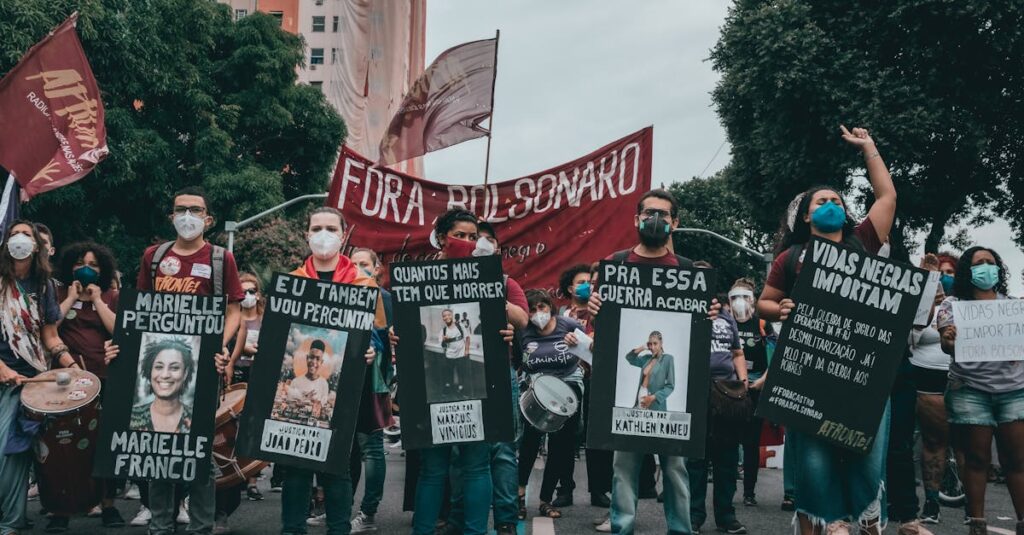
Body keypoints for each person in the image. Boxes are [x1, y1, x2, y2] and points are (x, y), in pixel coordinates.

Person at [756, 126, 898, 535]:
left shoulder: (864, 241)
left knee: (868, 456)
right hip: (810, 371)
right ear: (806, 215)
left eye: (837, 200)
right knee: (815, 458)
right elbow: (767, 301)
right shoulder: (791, 256)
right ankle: (827, 520)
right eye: (822, 201)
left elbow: (886, 196)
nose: (831, 203)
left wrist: (869, 146)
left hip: (862, 372)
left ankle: (867, 514)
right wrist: (778, 308)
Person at [106, 187, 243, 535]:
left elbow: (234, 311)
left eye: (196, 210)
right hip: (161, 367)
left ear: (208, 219)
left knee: (198, 450)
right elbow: (138, 311)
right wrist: (122, 349)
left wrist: (221, 345)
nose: (188, 216)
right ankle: (160, 526)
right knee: (157, 450)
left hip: (202, 371)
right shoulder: (154, 257)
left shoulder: (219, 259)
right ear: (171, 216)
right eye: (181, 209)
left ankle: (201, 527)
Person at [588, 189, 721, 535]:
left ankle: (680, 528)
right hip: (631, 408)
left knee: (675, 468)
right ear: (636, 219)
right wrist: (595, 312)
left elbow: (692, 344)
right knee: (624, 468)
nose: (656, 219)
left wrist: (709, 314)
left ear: (675, 222)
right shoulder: (616, 265)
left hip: (665, 412)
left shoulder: (689, 271)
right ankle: (622, 527)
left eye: (664, 214)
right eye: (649, 213)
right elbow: (608, 335)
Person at [404, 208, 528, 535]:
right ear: (443, 238)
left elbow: (522, 320)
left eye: (474, 237)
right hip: (433, 379)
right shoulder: (418, 278)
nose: (468, 242)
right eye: (461, 235)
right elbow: (408, 325)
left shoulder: (495, 278)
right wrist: (397, 333)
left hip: (478, 379)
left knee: (476, 466)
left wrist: (490, 296)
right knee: (432, 468)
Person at [282, 206, 385, 535]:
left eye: (330, 228)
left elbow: (379, 335)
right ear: (307, 235)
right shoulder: (293, 282)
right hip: (298, 391)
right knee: (296, 468)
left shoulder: (364, 284)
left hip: (343, 393)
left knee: (337, 469)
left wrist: (372, 350)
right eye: (316, 228)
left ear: (343, 236)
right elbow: (280, 336)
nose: (322, 234)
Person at [442, 220, 525, 535]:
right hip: (460, 371)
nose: (477, 246)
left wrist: (489, 289)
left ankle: (505, 519)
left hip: (498, 373)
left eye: (485, 242)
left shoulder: (505, 281)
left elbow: (522, 318)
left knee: (501, 451)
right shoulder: (448, 279)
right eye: (474, 241)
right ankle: (459, 517)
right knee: (459, 450)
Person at [0, 220, 80, 535]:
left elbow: (49, 335)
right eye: (14, 234)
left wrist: (69, 362)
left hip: (31, 382)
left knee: (15, 451)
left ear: (37, 246)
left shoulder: (44, 286)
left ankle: (10, 521)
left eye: (26, 235)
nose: (20, 239)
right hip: (4, 377)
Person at [937, 246, 1024, 535]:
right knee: (976, 459)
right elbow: (947, 346)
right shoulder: (952, 305)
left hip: (1013, 391)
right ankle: (977, 524)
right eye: (979, 263)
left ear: (999, 269)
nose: (986, 267)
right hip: (970, 391)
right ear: (968, 272)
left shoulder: (1012, 306)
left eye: (990, 262)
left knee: (1016, 460)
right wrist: (949, 339)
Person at [49, 240, 125, 530]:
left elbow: (118, 329)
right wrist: (70, 298)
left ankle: (108, 505)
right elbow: (49, 327)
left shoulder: (111, 295)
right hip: (65, 381)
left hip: (103, 378)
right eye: (81, 263)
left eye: (93, 265)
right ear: (70, 266)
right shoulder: (56, 293)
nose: (86, 269)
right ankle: (61, 509)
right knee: (63, 445)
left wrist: (97, 300)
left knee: (103, 444)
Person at [517, 289, 585, 520]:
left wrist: (579, 344)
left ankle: (546, 499)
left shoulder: (569, 325)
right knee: (529, 442)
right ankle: (519, 495)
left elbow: (592, 350)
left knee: (560, 446)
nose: (538, 313)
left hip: (568, 387)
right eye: (533, 309)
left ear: (551, 307)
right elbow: (518, 362)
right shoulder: (524, 332)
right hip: (537, 389)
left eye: (542, 307)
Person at [687, 284, 748, 534]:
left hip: (726, 393)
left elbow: (737, 352)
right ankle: (693, 516)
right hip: (696, 392)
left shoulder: (727, 318)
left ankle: (726, 516)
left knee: (727, 458)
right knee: (696, 459)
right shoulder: (686, 316)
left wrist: (743, 383)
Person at [347, 248, 394, 534]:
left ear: (377, 269)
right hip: (345, 385)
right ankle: (339, 507)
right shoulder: (343, 293)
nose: (357, 268)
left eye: (364, 264)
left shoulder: (387, 300)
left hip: (374, 383)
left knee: (371, 449)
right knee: (346, 449)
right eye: (352, 264)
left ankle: (369, 512)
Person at [555, 263, 607, 508]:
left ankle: (598, 490)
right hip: (567, 380)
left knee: (595, 436)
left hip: (596, 379)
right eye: (581, 282)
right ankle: (565, 488)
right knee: (565, 436)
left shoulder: (604, 313)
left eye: (591, 282)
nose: (588, 286)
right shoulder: (562, 316)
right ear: (569, 287)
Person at [909, 254, 951, 524]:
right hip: (925, 380)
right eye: (939, 272)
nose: (944, 276)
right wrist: (924, 305)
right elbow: (910, 338)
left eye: (949, 272)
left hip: (958, 379)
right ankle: (932, 503)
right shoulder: (919, 307)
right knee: (933, 441)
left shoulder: (961, 306)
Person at [728, 278, 776, 507]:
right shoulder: (726, 322)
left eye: (744, 297)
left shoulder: (763, 324)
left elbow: (775, 355)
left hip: (756, 386)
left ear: (753, 300)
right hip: (730, 387)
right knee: (727, 440)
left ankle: (749, 492)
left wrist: (762, 382)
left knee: (751, 442)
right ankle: (726, 489)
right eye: (735, 297)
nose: (740, 302)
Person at [225, 272, 264, 501]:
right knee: (234, 427)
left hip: (257, 374)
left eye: (252, 291)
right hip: (235, 371)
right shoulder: (232, 318)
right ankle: (235, 474)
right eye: (244, 291)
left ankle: (252, 480)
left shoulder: (265, 318)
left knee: (253, 426)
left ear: (258, 295)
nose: (248, 295)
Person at [130, 337, 196, 432]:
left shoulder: (198, 419)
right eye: (159, 367)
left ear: (185, 373)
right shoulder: (132, 416)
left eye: (174, 368)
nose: (165, 375)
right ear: (150, 371)